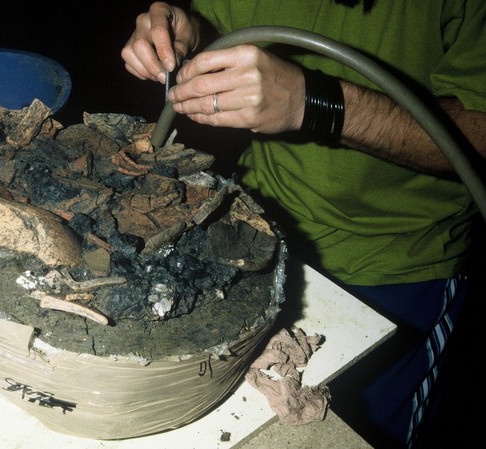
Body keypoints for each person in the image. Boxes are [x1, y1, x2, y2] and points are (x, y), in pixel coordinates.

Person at [122, 1, 485, 448]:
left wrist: (316, 103)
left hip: (397, 264)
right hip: (258, 229)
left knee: (353, 432)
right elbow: (223, 23)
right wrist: (190, 33)